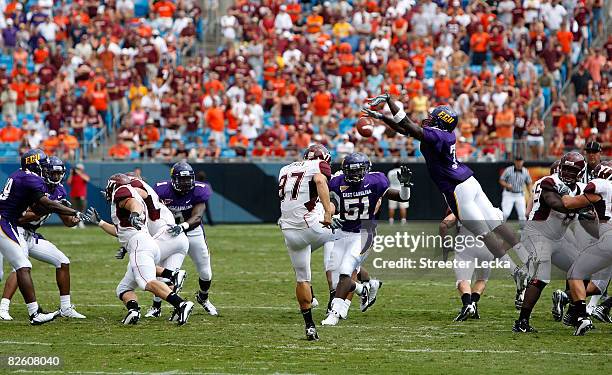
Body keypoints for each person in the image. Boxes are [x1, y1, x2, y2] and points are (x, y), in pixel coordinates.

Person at [86, 174, 194, 325]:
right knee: (123, 288)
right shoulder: (124, 198)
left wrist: (135, 213)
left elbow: (133, 203)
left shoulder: (122, 191)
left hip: (140, 245)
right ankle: (134, 310)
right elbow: (120, 231)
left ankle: (181, 304)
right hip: (147, 244)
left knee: (146, 282)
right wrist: (100, 222)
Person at [322, 153, 412, 326]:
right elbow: (332, 202)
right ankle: (364, 289)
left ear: (366, 169)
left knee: (345, 272)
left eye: (359, 171)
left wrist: (405, 185)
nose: (355, 175)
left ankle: (335, 313)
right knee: (335, 278)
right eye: (352, 171)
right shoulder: (336, 182)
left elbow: (402, 197)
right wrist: (329, 214)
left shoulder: (376, 181)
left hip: (364, 233)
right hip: (342, 233)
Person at [0, 149, 88, 325]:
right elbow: (30, 213)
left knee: (62, 261)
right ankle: (5, 308)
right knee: (20, 266)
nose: (53, 175)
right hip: (14, 227)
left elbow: (67, 221)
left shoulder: (58, 190)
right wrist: (64, 209)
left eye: (57, 172)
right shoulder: (31, 180)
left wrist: (75, 217)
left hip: (30, 234)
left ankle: (65, 308)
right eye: (49, 169)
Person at [277, 144, 338, 340]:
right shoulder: (319, 166)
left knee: (302, 278)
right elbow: (320, 180)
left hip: (289, 231)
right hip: (313, 227)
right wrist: (329, 211)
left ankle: (309, 326)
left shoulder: (285, 169)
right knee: (345, 235)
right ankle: (361, 286)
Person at [154, 162, 219, 317]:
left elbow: (197, 217)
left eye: (188, 179)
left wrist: (182, 226)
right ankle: (156, 306)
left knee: (206, 273)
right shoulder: (161, 190)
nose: (185, 183)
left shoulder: (199, 190)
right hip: (170, 233)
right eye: (182, 180)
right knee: (164, 270)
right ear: (173, 179)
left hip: (192, 231)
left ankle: (203, 298)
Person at [559, 161, 612, 335]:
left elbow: (569, 203)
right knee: (597, 286)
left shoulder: (601, 185)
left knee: (574, 274)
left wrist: (565, 193)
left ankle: (582, 317)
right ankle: (576, 308)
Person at [499, 156, 533, 228]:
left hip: (519, 195)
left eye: (520, 161)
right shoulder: (508, 170)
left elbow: (529, 182)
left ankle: (523, 230)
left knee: (522, 214)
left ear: (523, 162)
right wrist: (507, 185)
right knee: (505, 213)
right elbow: (501, 180)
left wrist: (530, 192)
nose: (519, 163)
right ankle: (498, 228)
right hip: (509, 194)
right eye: (517, 161)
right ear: (515, 161)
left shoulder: (525, 171)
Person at [67, 163, 89, 228]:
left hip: (82, 196)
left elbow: (87, 179)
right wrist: (71, 173)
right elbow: (68, 182)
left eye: (79, 169)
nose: (77, 170)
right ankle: (74, 223)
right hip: (74, 195)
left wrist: (79, 173)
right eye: (77, 169)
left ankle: (80, 222)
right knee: (73, 210)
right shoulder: (73, 176)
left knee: (81, 209)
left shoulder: (84, 175)